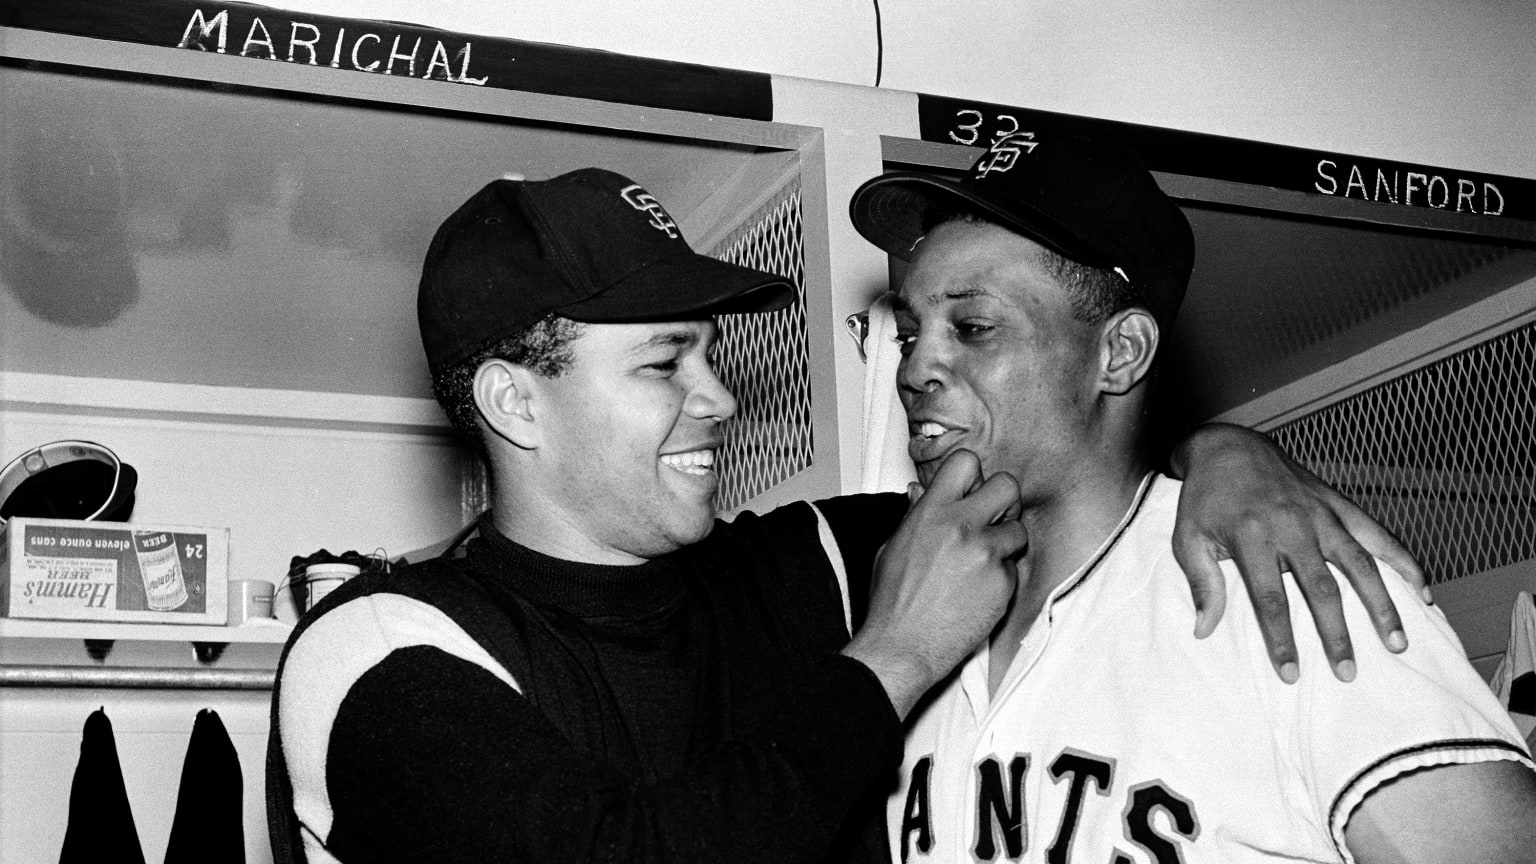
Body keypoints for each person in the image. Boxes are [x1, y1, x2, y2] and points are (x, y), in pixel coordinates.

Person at [267, 167, 1426, 864]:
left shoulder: (808, 560)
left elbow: (1047, 453)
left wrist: (1225, 455)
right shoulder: (377, 648)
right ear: (516, 400)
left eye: (711, 355)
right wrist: (894, 657)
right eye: (666, 362)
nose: (718, 398)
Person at [847, 131, 1536, 863]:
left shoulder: (1287, 584)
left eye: (973, 327)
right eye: (910, 334)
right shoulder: (909, 624)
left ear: (1120, 354)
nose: (918, 366)